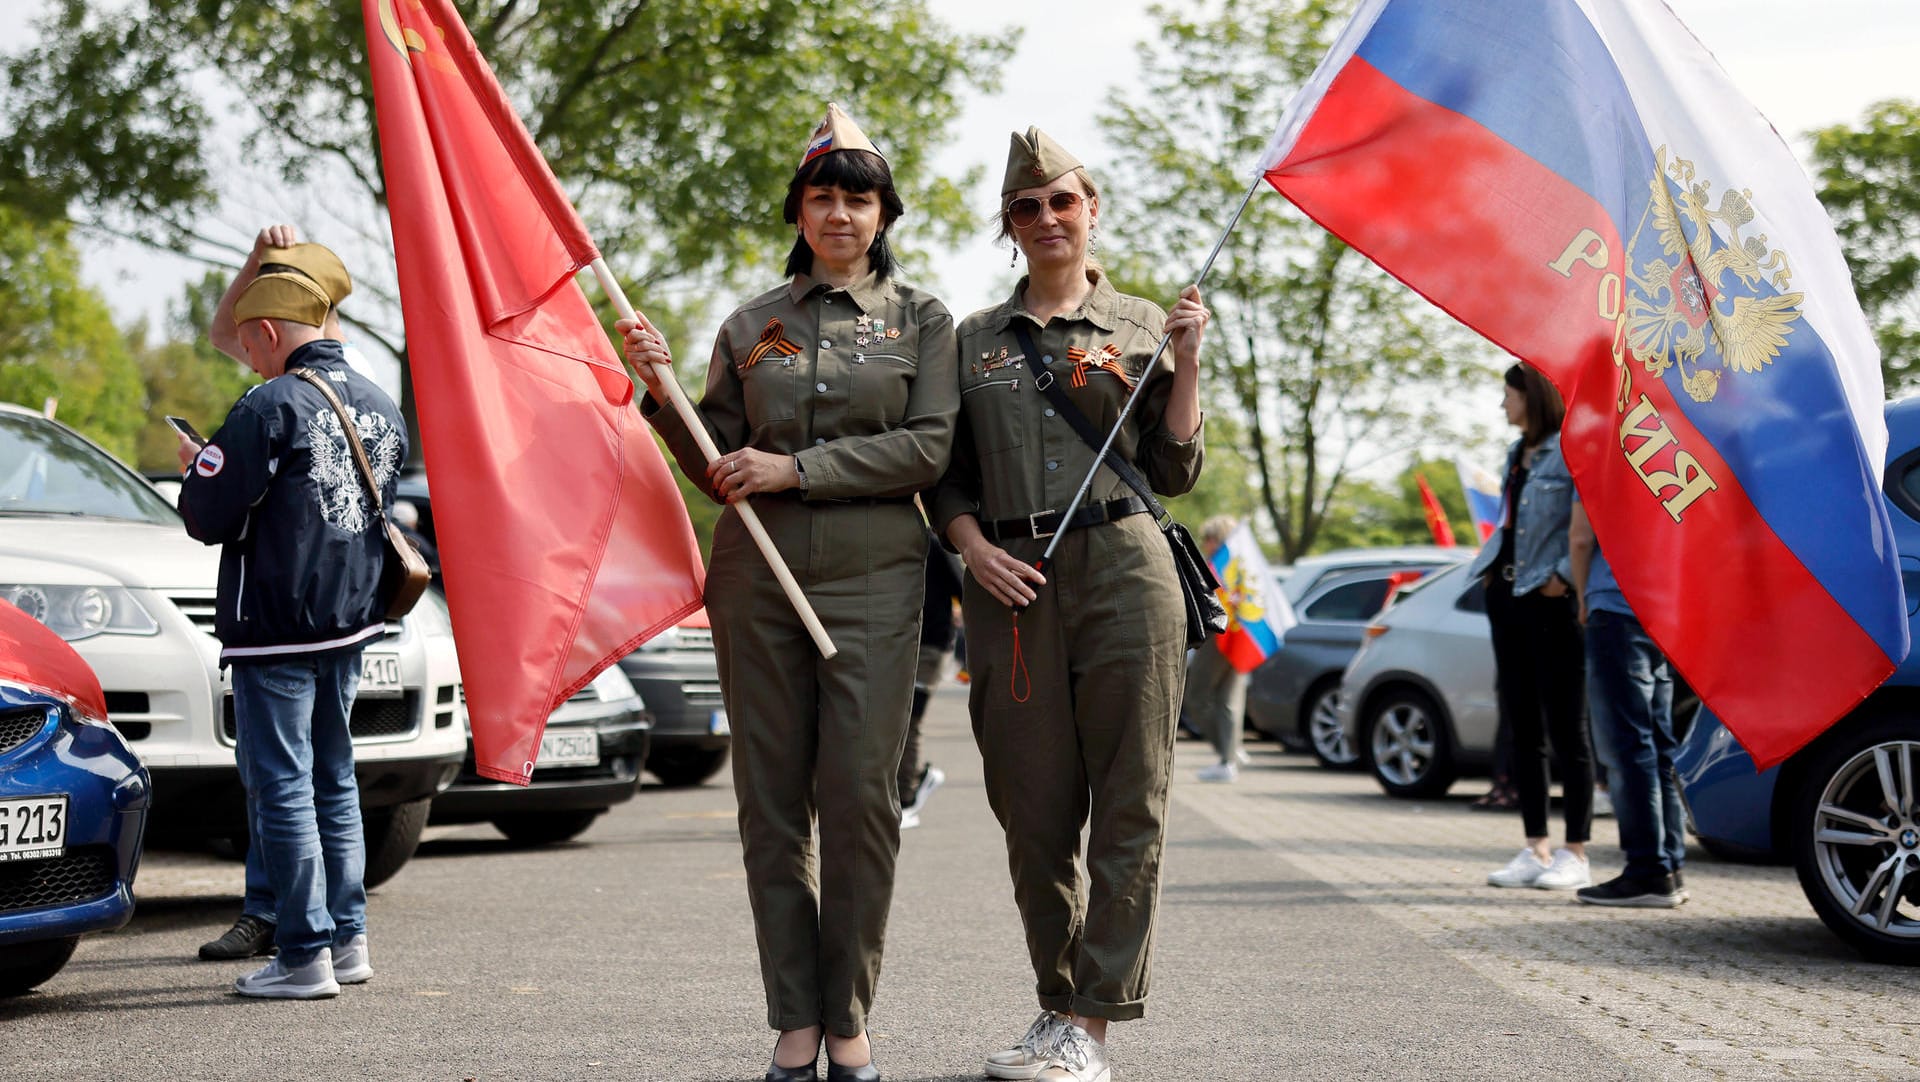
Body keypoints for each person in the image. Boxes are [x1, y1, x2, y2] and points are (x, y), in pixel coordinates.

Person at [618, 103, 958, 1082]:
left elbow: (930, 446)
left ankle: (848, 1015)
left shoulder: (924, 319)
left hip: (875, 580)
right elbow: (713, 459)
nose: (842, 213)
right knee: (770, 804)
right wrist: (661, 389)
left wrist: (796, 469)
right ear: (798, 210)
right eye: (823, 196)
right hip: (757, 581)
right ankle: (795, 1019)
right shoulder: (749, 323)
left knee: (859, 798)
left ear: (885, 212)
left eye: (860, 197)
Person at [931, 128, 1207, 1082]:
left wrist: (1190, 363)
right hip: (1012, 582)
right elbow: (944, 479)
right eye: (1026, 207)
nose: (1047, 219)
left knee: (1132, 802)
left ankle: (1094, 1023)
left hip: (1127, 568)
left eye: (1062, 201)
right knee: (1033, 809)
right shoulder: (968, 342)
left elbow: (1174, 467)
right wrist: (972, 553)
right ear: (1009, 228)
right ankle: (1055, 1005)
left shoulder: (1141, 324)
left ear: (1093, 209)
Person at [177, 228, 404, 999]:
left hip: (274, 626)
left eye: (250, 346)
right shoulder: (378, 402)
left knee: (282, 784)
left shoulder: (268, 403)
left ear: (268, 333)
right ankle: (348, 941)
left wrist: (200, 469)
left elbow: (209, 514)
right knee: (335, 779)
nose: (248, 359)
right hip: (350, 621)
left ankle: (303, 952)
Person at [1468, 363, 1594, 892]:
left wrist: (1563, 581)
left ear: (1531, 395)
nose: (1502, 405)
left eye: (1508, 394)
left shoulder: (1571, 450)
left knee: (1568, 727)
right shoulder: (1514, 455)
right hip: (1508, 597)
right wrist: (1494, 577)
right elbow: (1510, 522)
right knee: (1522, 726)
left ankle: (1577, 852)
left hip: (1551, 602)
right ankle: (1534, 847)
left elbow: (1590, 521)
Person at [1568, 498, 1687, 907]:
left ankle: (1647, 871)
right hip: (1661, 608)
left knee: (1627, 746)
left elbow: (1581, 538)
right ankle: (1670, 867)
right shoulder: (1670, 447)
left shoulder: (1599, 457)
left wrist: (1583, 598)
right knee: (1658, 746)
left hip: (1615, 607)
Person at [900, 528, 962, 830]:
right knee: (894, 722)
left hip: (930, 646)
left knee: (909, 721)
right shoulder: (889, 542)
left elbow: (962, 587)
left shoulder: (934, 544)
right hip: (897, 644)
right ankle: (915, 782)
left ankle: (907, 797)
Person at [1186, 516, 1251, 783]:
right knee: (1228, 701)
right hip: (1239, 635)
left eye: (1209, 539)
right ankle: (1230, 754)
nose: (1206, 544)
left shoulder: (1221, 566)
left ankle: (1228, 753)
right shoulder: (1243, 565)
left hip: (1219, 638)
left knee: (1196, 697)